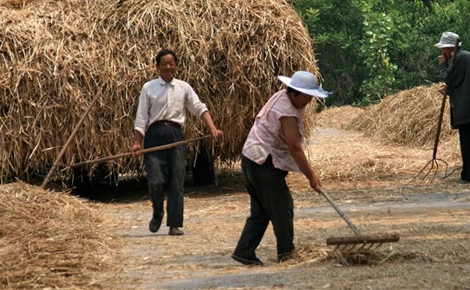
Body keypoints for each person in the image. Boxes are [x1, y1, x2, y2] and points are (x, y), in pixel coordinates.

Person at [232, 71, 329, 266]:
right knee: (283, 207)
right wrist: (311, 175)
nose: (309, 101)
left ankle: (244, 251)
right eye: (306, 96)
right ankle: (286, 253)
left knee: (261, 211)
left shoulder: (281, 97)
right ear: (293, 92)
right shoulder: (287, 111)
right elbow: (294, 147)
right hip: (263, 162)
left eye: (311, 96)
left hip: (251, 158)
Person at [131, 49, 223, 236]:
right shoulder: (148, 88)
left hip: (176, 135)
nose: (168, 67)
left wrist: (212, 128)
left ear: (176, 66)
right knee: (155, 181)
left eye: (171, 63)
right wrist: (137, 142)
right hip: (154, 136)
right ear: (157, 67)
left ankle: (174, 224)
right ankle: (157, 212)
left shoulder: (183, 87)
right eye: (164, 64)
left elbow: (199, 108)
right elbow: (141, 117)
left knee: (176, 180)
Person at [435, 32, 470, 184]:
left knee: (468, 143)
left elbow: (448, 77)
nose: (442, 52)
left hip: (468, 106)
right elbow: (458, 81)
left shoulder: (461, 58)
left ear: (449, 48)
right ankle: (469, 173)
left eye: (443, 49)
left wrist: (443, 64)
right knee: (469, 142)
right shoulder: (463, 57)